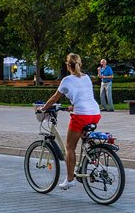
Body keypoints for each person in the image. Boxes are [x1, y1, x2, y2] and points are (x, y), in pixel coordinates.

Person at [39, 53, 101, 190]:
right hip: (95, 113)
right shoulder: (87, 78)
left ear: (68, 65)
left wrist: (43, 108)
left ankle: (70, 179)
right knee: (83, 137)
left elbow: (55, 98)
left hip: (81, 115)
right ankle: (93, 152)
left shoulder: (67, 80)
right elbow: (85, 96)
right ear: (80, 64)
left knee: (69, 147)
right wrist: (73, 106)